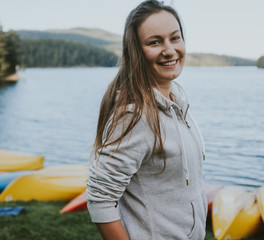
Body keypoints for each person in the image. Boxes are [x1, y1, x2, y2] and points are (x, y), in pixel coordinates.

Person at [86, 0, 207, 239]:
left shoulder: (177, 103)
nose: (169, 50)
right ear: (136, 51)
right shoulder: (135, 116)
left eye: (175, 38)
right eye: (155, 42)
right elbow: (100, 198)